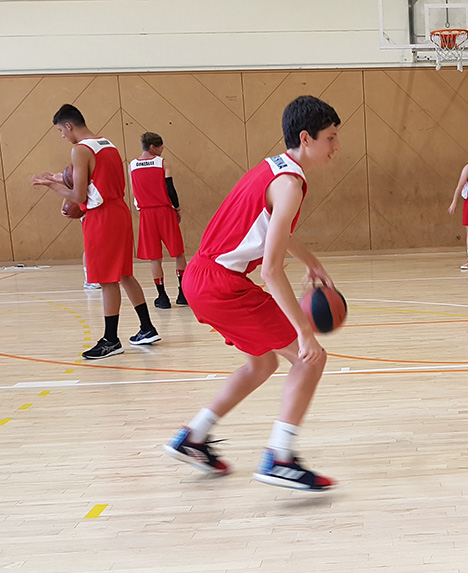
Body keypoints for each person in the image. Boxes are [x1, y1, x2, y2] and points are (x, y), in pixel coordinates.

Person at [163, 95, 341, 491]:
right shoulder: (291, 185)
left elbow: (271, 228)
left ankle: (194, 436)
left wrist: (311, 261)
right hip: (223, 285)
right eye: (330, 138)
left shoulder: (275, 168)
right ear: (306, 138)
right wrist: (304, 333)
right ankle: (281, 458)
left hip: (200, 277)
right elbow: (272, 270)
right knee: (310, 359)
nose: (336, 147)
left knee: (262, 364)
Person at [32, 104, 160, 359]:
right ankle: (147, 327)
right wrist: (60, 178)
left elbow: (79, 195)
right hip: (119, 211)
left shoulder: (79, 149)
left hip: (101, 218)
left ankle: (111, 339)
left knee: (106, 280)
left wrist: (51, 186)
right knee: (124, 274)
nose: (62, 136)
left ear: (69, 125)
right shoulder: (106, 143)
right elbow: (95, 177)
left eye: (60, 130)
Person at [129, 132, 187, 309]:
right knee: (178, 253)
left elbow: (134, 192)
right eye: (161, 147)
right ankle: (183, 293)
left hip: (146, 214)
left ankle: (162, 297)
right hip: (164, 211)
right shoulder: (162, 163)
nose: (162, 150)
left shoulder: (132, 165)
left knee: (155, 258)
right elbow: (170, 189)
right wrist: (176, 209)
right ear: (153, 147)